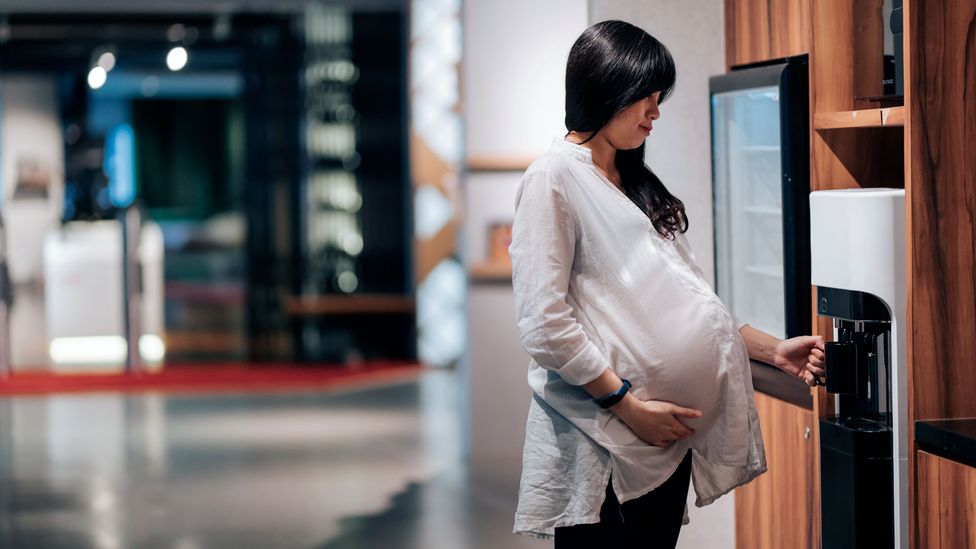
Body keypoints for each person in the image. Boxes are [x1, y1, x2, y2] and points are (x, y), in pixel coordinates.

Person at [509, 20, 826, 548]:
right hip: (607, 441)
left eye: (660, 98)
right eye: (646, 97)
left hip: (663, 444)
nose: (655, 112)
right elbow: (544, 324)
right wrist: (627, 405)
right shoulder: (553, 177)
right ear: (606, 88)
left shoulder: (631, 182)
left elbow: (688, 303)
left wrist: (774, 351)